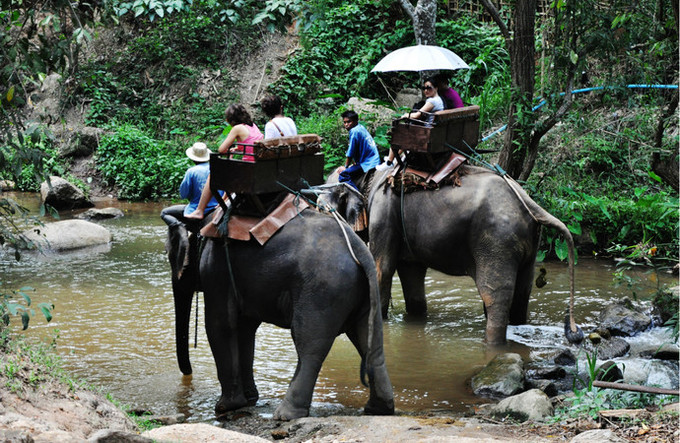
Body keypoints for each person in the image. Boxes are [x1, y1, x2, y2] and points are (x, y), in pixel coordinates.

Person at [185, 104, 264, 220]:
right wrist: (238, 148)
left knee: (214, 174)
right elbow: (251, 144)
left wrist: (231, 149)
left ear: (230, 120)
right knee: (231, 169)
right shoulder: (253, 126)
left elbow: (221, 149)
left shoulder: (237, 128)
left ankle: (199, 210)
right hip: (258, 167)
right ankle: (224, 200)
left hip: (248, 170)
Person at [377, 77, 444, 170]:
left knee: (398, 133)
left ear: (436, 88)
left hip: (426, 134)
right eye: (424, 88)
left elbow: (417, 115)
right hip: (432, 131)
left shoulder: (432, 101)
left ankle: (389, 163)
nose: (426, 90)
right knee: (406, 133)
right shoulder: (439, 100)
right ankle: (392, 158)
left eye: (429, 88)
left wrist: (405, 115)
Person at [160, 142, 219, 230]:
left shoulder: (191, 171)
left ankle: (181, 229)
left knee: (164, 213)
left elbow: (184, 195)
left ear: (192, 158)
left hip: (195, 208)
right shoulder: (217, 169)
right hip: (216, 208)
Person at [336, 110, 380, 191]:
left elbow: (351, 152)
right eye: (344, 122)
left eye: (349, 122)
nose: (346, 125)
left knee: (343, 175)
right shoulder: (360, 127)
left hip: (368, 163)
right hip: (374, 159)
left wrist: (345, 167)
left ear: (355, 121)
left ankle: (357, 195)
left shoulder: (354, 131)